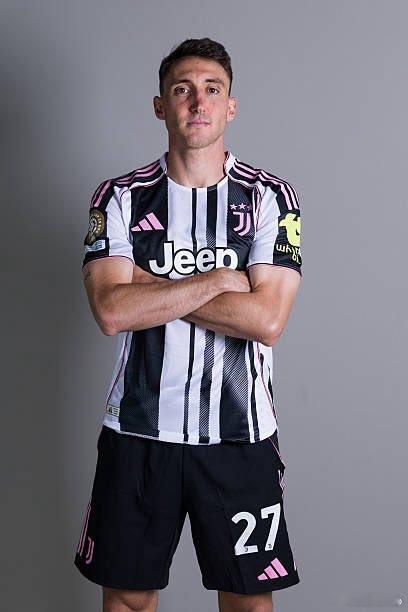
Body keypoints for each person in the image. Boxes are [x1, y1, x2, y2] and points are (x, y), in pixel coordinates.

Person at [74, 37, 302, 612]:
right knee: (127, 599)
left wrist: (148, 285)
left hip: (239, 435)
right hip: (138, 432)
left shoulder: (270, 197)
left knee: (248, 602)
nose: (198, 102)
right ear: (160, 106)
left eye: (211, 89)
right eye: (182, 90)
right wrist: (221, 280)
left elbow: (267, 319)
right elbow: (111, 311)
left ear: (231, 106)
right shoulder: (121, 197)